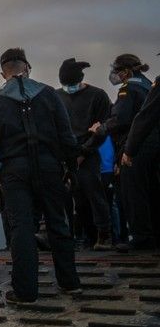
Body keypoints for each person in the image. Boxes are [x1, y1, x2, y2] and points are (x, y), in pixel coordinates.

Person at [0, 48, 82, 304]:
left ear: (3, 72)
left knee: (21, 228)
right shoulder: (48, 94)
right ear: (28, 67)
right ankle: (70, 283)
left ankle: (25, 292)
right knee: (58, 223)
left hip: (15, 171)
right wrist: (70, 168)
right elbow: (66, 136)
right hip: (50, 167)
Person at [99, 54, 158, 251]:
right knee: (151, 191)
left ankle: (141, 237)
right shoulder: (148, 84)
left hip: (136, 144)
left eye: (117, 70)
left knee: (133, 193)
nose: (115, 75)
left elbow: (122, 118)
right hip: (153, 145)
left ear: (126, 71)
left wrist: (101, 128)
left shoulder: (128, 88)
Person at [56, 58, 113, 250]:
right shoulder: (57, 97)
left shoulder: (98, 96)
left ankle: (104, 235)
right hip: (64, 154)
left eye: (72, 84)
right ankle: (76, 237)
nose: (69, 88)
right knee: (72, 199)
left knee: (94, 194)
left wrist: (84, 152)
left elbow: (103, 129)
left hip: (88, 151)